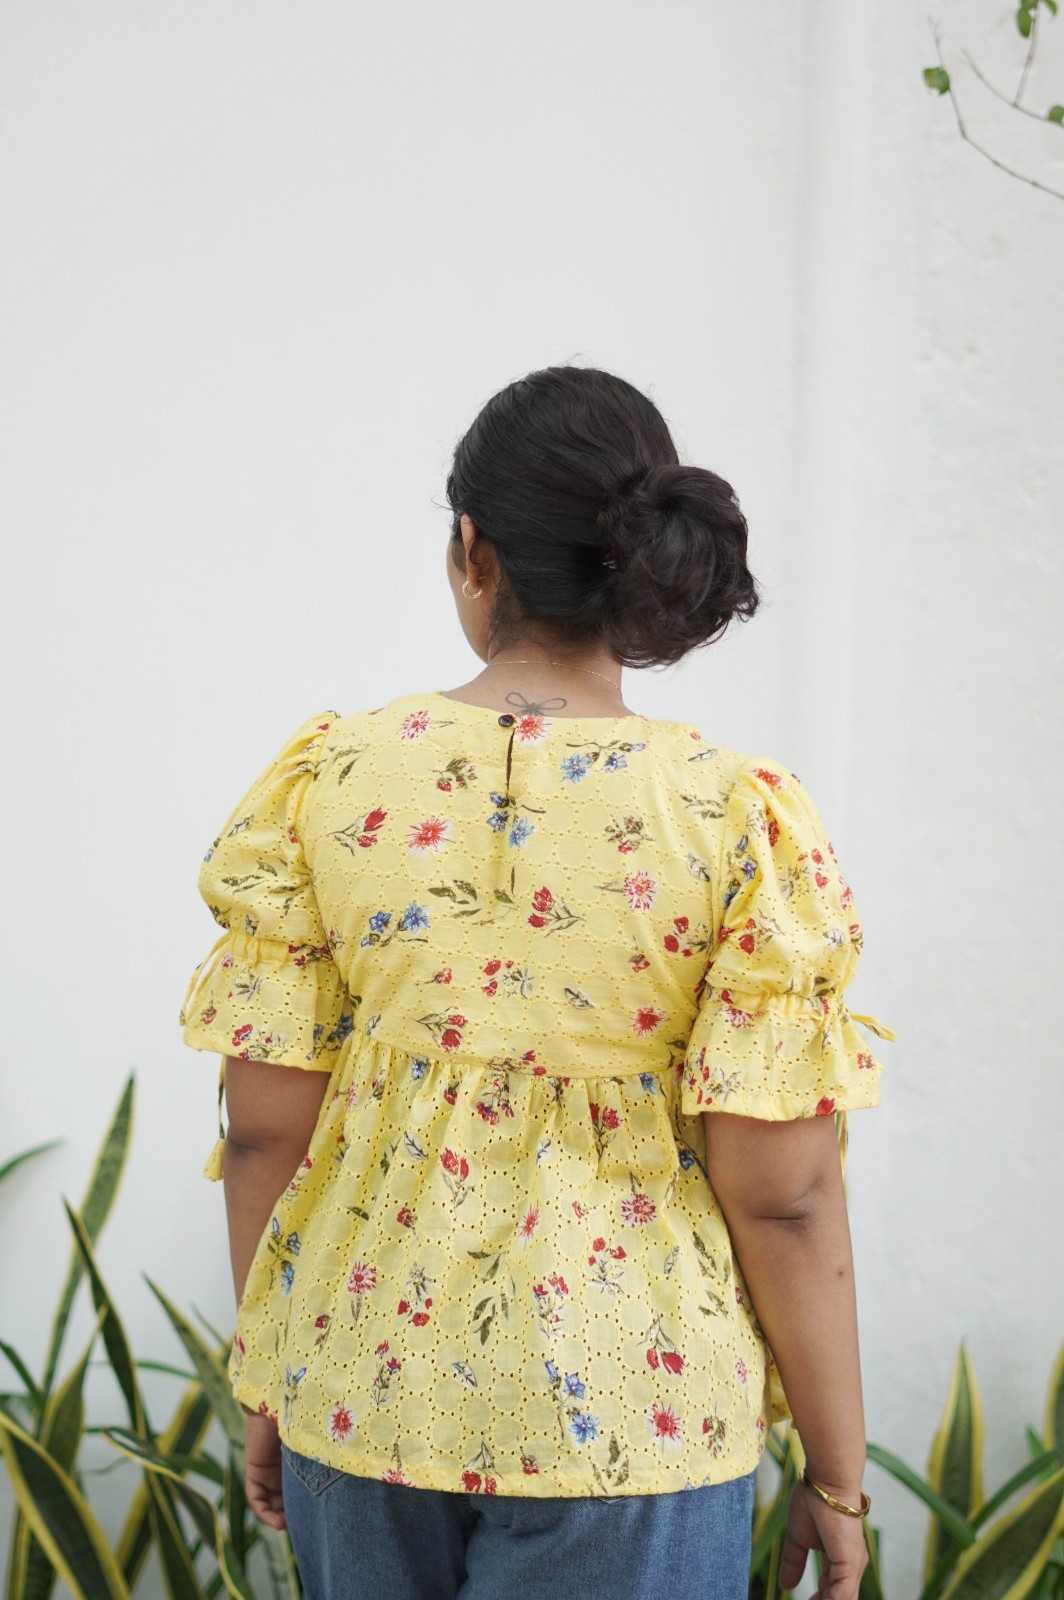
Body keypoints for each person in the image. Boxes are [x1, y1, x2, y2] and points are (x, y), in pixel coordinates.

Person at [179, 365, 893, 1600]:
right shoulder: (733, 818)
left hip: (358, 1387)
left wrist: (271, 1375)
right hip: (636, 1414)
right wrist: (834, 1474)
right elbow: (782, 1195)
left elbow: (262, 1132)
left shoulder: (330, 780)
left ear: (473, 550)